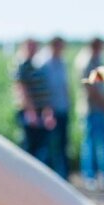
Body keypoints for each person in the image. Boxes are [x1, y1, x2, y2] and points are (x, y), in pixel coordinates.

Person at [74, 37, 104, 190]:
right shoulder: (86, 61)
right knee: (91, 143)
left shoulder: (96, 58)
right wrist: (103, 102)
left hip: (98, 108)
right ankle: (90, 176)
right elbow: (89, 87)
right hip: (91, 109)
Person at [11, 38, 54, 168]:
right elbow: (22, 90)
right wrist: (31, 111)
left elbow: (44, 90)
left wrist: (47, 111)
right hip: (30, 112)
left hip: (39, 110)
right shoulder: (21, 65)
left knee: (40, 145)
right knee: (30, 146)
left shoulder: (36, 65)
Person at [36, 36, 71, 180]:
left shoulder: (61, 62)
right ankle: (48, 178)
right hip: (50, 111)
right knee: (50, 146)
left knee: (62, 144)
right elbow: (42, 89)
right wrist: (47, 110)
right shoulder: (43, 63)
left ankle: (62, 177)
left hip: (62, 107)